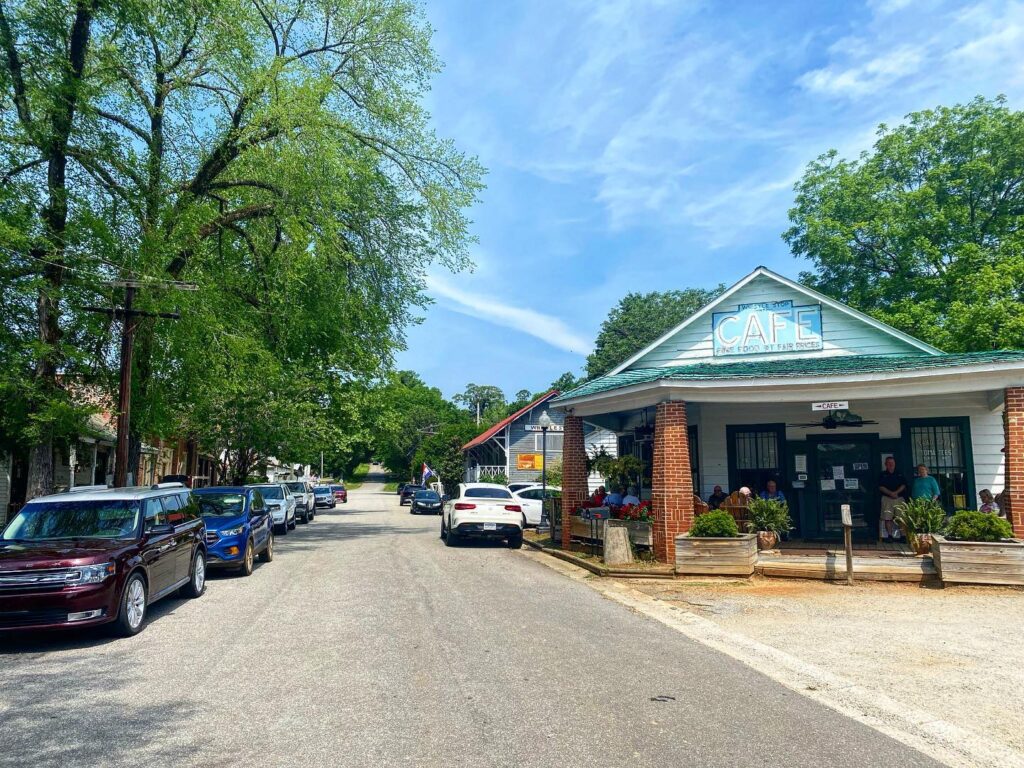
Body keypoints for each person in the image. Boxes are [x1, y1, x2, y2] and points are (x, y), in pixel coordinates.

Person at [878, 456, 907, 541]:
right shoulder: (882, 474)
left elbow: (903, 484)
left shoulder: (900, 473)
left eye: (892, 463)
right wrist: (890, 493)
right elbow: (880, 486)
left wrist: (896, 492)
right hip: (887, 498)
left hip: (899, 498)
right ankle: (890, 536)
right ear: (885, 464)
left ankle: (903, 536)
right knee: (887, 518)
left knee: (901, 518)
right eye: (889, 463)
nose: (891, 464)